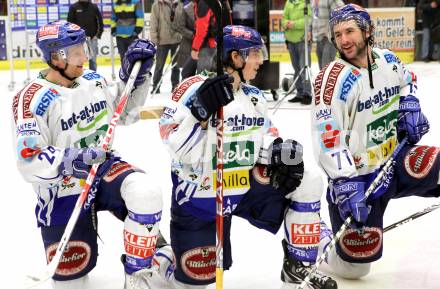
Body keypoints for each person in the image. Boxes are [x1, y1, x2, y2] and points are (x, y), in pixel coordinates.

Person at [159, 25, 337, 289]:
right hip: (200, 197)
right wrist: (200, 113)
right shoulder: (191, 87)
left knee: (307, 180)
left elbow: (265, 138)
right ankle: (161, 256)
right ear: (235, 57)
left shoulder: (255, 97)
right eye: (255, 53)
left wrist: (279, 151)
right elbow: (177, 149)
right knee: (190, 283)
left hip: (241, 187)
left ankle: (298, 267)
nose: (261, 60)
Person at [12, 21, 174, 289]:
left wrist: (136, 75)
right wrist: (71, 158)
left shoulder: (92, 80)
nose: (85, 57)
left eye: (84, 48)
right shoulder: (30, 99)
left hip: (102, 169)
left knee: (145, 191)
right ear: (55, 57)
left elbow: (125, 112)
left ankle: (137, 273)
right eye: (76, 52)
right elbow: (29, 159)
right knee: (71, 283)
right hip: (62, 189)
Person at [312, 4, 438, 280]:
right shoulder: (331, 81)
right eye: (338, 34)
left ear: (367, 31)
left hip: (394, 162)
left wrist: (409, 103)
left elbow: (409, 79)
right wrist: (344, 181)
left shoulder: (388, 60)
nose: (344, 40)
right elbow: (327, 139)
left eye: (350, 31)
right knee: (355, 268)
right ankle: (316, 241)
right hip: (359, 181)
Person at [282, 0, 313, 105]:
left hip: (303, 41)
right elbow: (283, 19)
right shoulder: (288, 2)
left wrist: (293, 24)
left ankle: (307, 93)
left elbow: (308, 20)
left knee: (304, 67)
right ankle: (299, 93)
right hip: (291, 41)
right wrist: (286, 23)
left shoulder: (306, 2)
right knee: (296, 68)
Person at [191, 0, 232, 74]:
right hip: (219, 44)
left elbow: (201, 29)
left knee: (202, 77)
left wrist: (195, 48)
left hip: (207, 45)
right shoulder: (224, 2)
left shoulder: (204, 3)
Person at [150, 0, 182, 93]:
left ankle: (175, 86)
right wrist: (154, 39)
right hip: (162, 41)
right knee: (159, 66)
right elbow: (153, 22)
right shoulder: (157, 4)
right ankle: (156, 87)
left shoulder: (179, 4)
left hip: (177, 40)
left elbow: (183, 21)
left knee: (176, 66)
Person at [67, 0, 104, 71]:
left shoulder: (94, 7)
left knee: (92, 61)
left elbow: (100, 21)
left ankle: (93, 77)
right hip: (77, 40)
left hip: (92, 39)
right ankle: (77, 77)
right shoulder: (74, 7)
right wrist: (73, 37)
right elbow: (69, 24)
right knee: (77, 60)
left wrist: (98, 35)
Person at [311, 0, 344, 70]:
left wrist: (330, 30)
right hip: (318, 38)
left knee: (327, 68)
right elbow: (313, 17)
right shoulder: (312, 1)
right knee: (322, 70)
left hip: (329, 39)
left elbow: (341, 12)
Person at [173, 0, 198, 80]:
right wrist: (193, 35)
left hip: (204, 45)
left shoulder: (207, 7)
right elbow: (181, 26)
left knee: (202, 71)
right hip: (188, 44)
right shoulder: (186, 8)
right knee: (187, 72)